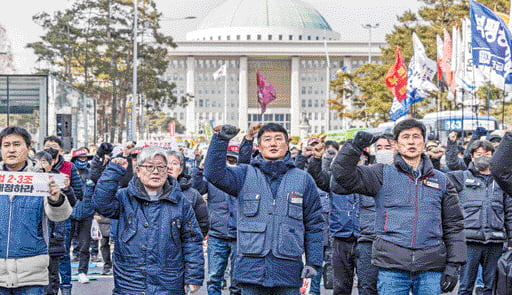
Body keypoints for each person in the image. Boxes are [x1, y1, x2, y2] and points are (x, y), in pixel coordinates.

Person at [331, 119, 466, 295]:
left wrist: (454, 264)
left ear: (424, 142)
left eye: (416, 137)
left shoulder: (441, 180)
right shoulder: (381, 173)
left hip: (430, 266)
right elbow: (342, 175)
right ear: (396, 144)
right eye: (406, 137)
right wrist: (354, 147)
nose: (411, 142)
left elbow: (454, 225)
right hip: (391, 266)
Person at [204, 123, 324, 294]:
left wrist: (313, 262)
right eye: (267, 140)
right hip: (250, 271)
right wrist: (220, 140)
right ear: (259, 147)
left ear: (287, 145)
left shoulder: (303, 179)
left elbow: (314, 224)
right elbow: (213, 174)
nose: (273, 144)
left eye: (278, 139)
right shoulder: (244, 174)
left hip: (288, 271)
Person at [93, 146, 204, 294]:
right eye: (149, 167)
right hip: (130, 281)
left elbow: (192, 240)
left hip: (169, 281)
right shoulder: (124, 197)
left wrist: (193, 277)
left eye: (161, 167)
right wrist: (113, 171)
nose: (156, 172)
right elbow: (101, 204)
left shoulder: (180, 202)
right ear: (138, 171)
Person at [0, 126, 72, 293]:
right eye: (6, 145)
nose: (11, 150)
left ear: (28, 147)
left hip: (32, 272)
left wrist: (56, 199)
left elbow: (60, 216)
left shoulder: (42, 178)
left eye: (17, 144)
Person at [192, 123, 257, 295]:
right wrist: (199, 167)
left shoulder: (242, 178)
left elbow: (245, 160)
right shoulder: (214, 178)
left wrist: (248, 138)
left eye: (233, 160)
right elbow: (197, 187)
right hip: (217, 235)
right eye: (226, 160)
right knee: (214, 277)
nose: (230, 163)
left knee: (237, 280)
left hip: (239, 235)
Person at [447, 140, 512, 295]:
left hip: (496, 242)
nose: (483, 157)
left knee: (492, 287)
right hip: (469, 242)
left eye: (488, 154)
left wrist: (511, 240)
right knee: (465, 286)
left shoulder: (502, 181)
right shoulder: (460, 177)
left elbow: (509, 213)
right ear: (472, 156)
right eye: (479, 154)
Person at [166, 150, 210, 237]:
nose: (169, 167)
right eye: (166, 163)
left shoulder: (192, 194)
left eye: (174, 163)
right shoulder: (151, 191)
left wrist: (191, 242)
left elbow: (203, 224)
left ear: (180, 169)